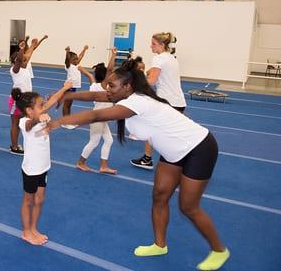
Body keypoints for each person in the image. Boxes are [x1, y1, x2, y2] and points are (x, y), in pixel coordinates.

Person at [43, 59, 230, 271]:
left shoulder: (137, 102)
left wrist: (59, 122)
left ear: (127, 86)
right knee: (160, 195)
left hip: (198, 148)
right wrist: (69, 95)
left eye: (111, 86)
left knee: (188, 206)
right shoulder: (125, 96)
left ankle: (219, 250)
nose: (107, 89)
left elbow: (96, 114)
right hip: (173, 152)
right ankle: (160, 245)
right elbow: (95, 96)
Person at [13, 80, 73, 245]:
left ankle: (33, 228)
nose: (44, 106)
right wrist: (39, 118)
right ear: (29, 110)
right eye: (41, 105)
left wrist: (65, 88)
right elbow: (30, 124)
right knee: (28, 200)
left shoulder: (37, 113)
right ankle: (26, 232)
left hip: (43, 167)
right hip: (31, 170)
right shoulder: (24, 121)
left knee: (40, 200)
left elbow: (53, 100)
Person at [131, 32, 186, 170]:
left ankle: (149, 159)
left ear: (162, 45)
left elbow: (152, 80)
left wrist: (134, 87)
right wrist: (144, 73)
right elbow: (153, 73)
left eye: (154, 44)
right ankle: (149, 159)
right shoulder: (171, 58)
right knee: (165, 131)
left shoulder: (159, 59)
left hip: (167, 102)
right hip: (178, 102)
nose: (151, 46)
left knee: (151, 128)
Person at [75, 48, 117, 174]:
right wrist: (113, 55)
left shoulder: (94, 85)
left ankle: (103, 166)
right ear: (106, 77)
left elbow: (90, 75)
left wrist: (81, 69)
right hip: (98, 118)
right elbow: (110, 69)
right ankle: (80, 162)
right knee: (94, 141)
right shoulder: (104, 86)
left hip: (101, 117)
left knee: (109, 140)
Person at [8, 37, 45, 155]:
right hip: (17, 100)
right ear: (16, 61)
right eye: (23, 59)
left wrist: (33, 45)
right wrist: (21, 49)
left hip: (26, 100)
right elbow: (20, 59)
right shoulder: (15, 70)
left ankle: (25, 144)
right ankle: (14, 147)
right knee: (15, 124)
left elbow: (28, 55)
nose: (25, 60)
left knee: (24, 122)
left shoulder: (24, 67)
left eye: (25, 59)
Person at [61, 45, 89, 129]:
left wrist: (84, 49)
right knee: (66, 105)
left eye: (77, 59)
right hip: (69, 87)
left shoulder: (76, 65)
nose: (77, 60)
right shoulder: (68, 66)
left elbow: (80, 56)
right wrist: (67, 52)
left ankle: (67, 121)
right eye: (75, 59)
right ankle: (65, 122)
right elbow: (66, 60)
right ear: (70, 60)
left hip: (73, 87)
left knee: (69, 105)